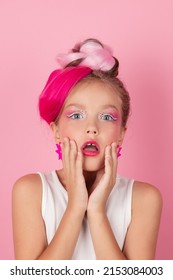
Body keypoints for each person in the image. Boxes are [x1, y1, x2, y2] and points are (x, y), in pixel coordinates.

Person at [12, 38, 162, 260]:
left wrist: (97, 212)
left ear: (122, 133)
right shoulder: (31, 191)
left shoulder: (144, 199)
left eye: (106, 117)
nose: (92, 128)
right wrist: (75, 207)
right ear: (56, 131)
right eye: (76, 115)